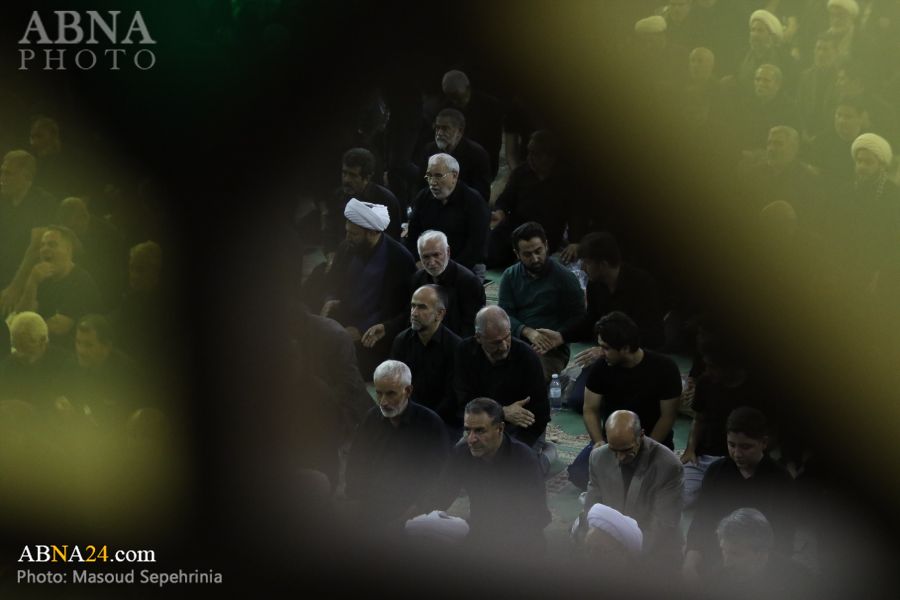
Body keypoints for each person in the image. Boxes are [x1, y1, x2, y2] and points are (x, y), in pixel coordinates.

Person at [415, 397, 550, 554]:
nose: (471, 439)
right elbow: (439, 496)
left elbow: (538, 517)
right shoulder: (462, 453)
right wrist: (407, 520)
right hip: (479, 533)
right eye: (468, 430)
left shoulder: (524, 460)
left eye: (480, 431)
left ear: (500, 428)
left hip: (520, 541)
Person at [567, 311, 681, 490]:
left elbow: (667, 416)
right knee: (579, 475)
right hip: (613, 441)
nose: (601, 353)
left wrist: (648, 450)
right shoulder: (601, 367)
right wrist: (599, 443)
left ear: (626, 348)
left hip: (651, 441)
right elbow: (590, 409)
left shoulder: (665, 368)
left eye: (606, 348)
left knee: (649, 486)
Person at [684, 407, 796, 584]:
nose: (737, 453)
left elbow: (785, 537)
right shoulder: (716, 472)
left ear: (764, 443)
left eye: (746, 447)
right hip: (719, 554)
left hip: (758, 564)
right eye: (732, 445)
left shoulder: (780, 480)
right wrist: (691, 559)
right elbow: (701, 520)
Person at [343, 360, 449, 533]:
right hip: (369, 505)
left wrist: (414, 512)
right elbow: (356, 462)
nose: (383, 402)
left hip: (412, 512)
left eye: (391, 394)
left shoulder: (430, 425)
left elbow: (440, 478)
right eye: (379, 393)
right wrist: (354, 499)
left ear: (408, 391)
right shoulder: (371, 419)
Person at [322, 199, 416, 376]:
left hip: (377, 336)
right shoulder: (347, 248)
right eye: (347, 232)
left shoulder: (400, 259)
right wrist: (330, 299)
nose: (348, 238)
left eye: (354, 234)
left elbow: (404, 310)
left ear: (373, 233)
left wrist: (364, 328)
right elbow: (331, 282)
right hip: (342, 323)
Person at [578, 410, 683, 568]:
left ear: (641, 436)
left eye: (626, 450)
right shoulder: (598, 457)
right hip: (609, 539)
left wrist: (629, 555)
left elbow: (663, 524)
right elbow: (591, 505)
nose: (620, 458)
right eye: (614, 450)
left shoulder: (668, 466)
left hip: (652, 544)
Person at [497, 221, 585, 381]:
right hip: (513, 343)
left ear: (546, 245)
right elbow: (503, 315)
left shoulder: (565, 278)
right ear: (517, 254)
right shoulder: (510, 276)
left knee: (529, 377)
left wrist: (559, 336)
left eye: (538, 251)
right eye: (527, 254)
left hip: (550, 350)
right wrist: (527, 331)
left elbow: (580, 320)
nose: (535, 258)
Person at [452, 306, 549, 448]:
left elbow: (540, 413)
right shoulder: (464, 352)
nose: (504, 346)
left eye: (507, 337)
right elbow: (463, 402)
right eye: (496, 342)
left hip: (522, 429)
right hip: (478, 425)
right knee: (459, 454)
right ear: (478, 337)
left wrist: (515, 449)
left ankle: (544, 455)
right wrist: (501, 412)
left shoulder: (527, 357)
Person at [488, 131, 574, 267]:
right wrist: (500, 212)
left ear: (550, 157)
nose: (530, 158)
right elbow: (506, 199)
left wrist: (576, 241)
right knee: (489, 252)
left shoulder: (565, 179)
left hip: (545, 232)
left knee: (526, 263)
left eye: (535, 154)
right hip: (516, 226)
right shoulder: (521, 173)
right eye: (529, 153)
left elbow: (576, 214)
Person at [55, 314, 146, 429]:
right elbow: (57, 393)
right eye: (78, 342)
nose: (81, 351)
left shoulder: (126, 374)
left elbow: (132, 421)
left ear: (106, 346)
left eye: (88, 345)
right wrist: (59, 403)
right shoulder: (71, 365)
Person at [703, 508, 816, 600]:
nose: (727, 563)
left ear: (762, 554)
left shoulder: (801, 583)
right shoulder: (714, 582)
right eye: (723, 550)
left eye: (736, 554)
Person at [404, 154, 490, 274]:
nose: (432, 182)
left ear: (454, 176)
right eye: (429, 176)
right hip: (428, 265)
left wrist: (447, 270)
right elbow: (413, 235)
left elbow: (475, 248)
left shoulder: (474, 202)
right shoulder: (423, 197)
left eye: (438, 176)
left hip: (465, 268)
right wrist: (418, 261)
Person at [14, 226, 102, 341]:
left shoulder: (81, 281)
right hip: (40, 341)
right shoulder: (40, 277)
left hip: (71, 346)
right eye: (42, 245)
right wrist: (32, 283)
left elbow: (58, 328)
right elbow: (20, 317)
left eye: (52, 244)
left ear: (68, 250)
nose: (44, 249)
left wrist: (29, 325)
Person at [390, 285, 461, 425]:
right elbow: (395, 385)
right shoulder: (401, 341)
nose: (414, 313)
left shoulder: (455, 347)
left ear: (440, 314)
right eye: (413, 306)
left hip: (442, 421)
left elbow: (452, 397)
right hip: (407, 415)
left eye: (422, 307)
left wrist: (426, 420)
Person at [409, 230, 484, 339]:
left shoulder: (468, 282)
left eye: (436, 255)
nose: (432, 262)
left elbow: (471, 327)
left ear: (448, 252)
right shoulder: (417, 279)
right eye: (425, 257)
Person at [0, 150, 56, 289]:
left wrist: (14, 288)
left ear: (27, 177)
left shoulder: (43, 201)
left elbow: (36, 248)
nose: (2, 178)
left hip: (28, 278)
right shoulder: (3, 199)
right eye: (2, 172)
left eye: (8, 173)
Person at [418, 108, 492, 203]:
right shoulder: (429, 150)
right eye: (437, 128)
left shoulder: (477, 154)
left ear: (460, 131)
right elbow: (420, 185)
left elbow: (481, 194)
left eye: (445, 128)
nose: (439, 133)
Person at [0, 312, 67, 410]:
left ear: (42, 341)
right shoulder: (8, 365)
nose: (20, 354)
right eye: (16, 348)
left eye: (25, 348)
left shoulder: (64, 365)